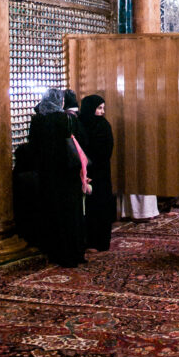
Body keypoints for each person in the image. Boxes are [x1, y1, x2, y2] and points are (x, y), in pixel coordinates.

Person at [29, 90, 87, 267]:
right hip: (68, 174)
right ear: (61, 102)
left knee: (54, 213)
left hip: (49, 175)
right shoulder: (68, 119)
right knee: (72, 214)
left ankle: (56, 253)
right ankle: (74, 253)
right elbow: (81, 143)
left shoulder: (37, 121)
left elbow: (33, 148)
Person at [78, 94, 115, 252]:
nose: (102, 112)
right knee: (89, 208)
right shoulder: (81, 124)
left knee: (100, 206)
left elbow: (105, 150)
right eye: (99, 108)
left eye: (103, 108)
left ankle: (100, 241)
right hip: (85, 172)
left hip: (99, 172)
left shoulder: (103, 126)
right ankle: (89, 240)